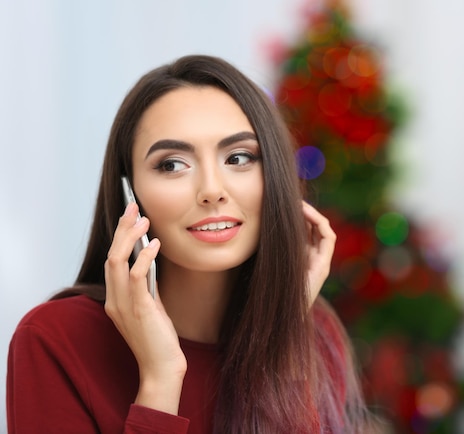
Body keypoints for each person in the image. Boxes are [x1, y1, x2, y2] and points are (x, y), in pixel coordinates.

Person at [6, 55, 370, 433]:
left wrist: (283, 339)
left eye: (239, 157)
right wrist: (161, 378)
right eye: (172, 164)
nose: (212, 190)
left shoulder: (315, 332)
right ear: (130, 194)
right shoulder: (55, 340)